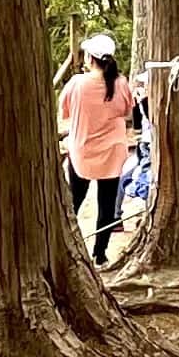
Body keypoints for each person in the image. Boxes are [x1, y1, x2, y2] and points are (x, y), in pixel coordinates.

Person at [58, 38, 130, 265]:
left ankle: (66, 248)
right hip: (113, 152)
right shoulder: (121, 83)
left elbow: (64, 112)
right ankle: (100, 254)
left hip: (82, 150)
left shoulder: (77, 83)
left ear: (90, 58)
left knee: (73, 201)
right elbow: (127, 111)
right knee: (107, 204)